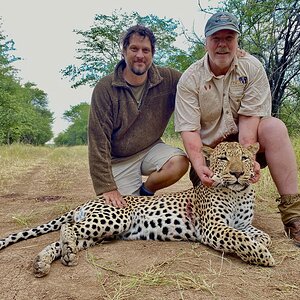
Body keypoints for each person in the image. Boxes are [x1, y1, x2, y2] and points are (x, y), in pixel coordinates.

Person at [174, 12, 300, 246]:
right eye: (216, 38)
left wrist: (246, 160)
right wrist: (200, 165)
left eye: (229, 38)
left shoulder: (252, 68)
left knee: (274, 127)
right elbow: (189, 130)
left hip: (243, 148)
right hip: (213, 159)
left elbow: (249, 124)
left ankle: (294, 216)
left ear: (237, 41)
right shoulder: (190, 78)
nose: (222, 44)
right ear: (206, 42)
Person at [88, 25, 189, 208]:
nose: (140, 55)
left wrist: (227, 56)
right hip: (119, 159)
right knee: (122, 214)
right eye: (134, 49)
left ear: (152, 53)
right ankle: (128, 193)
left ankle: (146, 191)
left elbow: (196, 80)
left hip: (151, 148)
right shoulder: (105, 88)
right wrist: (107, 186)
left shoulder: (169, 79)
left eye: (146, 50)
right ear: (124, 50)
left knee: (179, 162)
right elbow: (98, 142)